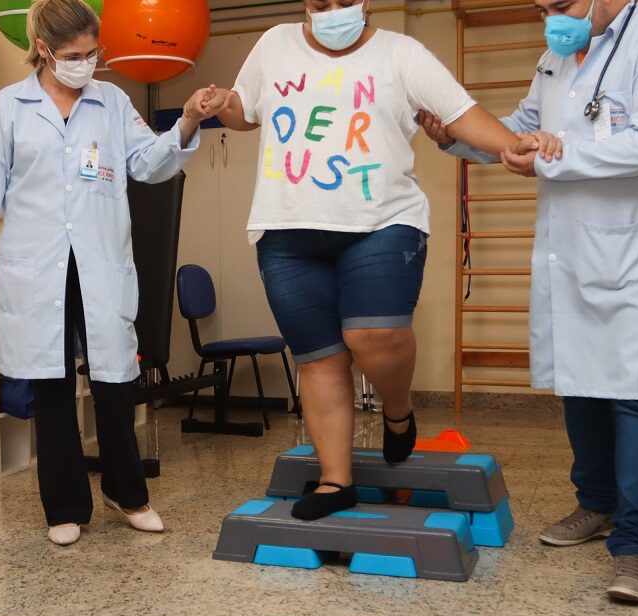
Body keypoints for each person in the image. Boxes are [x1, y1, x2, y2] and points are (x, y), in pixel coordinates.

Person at [198, 0, 539, 521]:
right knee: (319, 357)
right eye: (321, 4)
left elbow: (460, 114)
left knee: (372, 335)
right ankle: (337, 480)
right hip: (287, 229)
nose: (333, 11)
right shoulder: (274, 44)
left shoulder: (402, 54)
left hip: (382, 222)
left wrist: (514, 147)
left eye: (345, 2)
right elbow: (246, 112)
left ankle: (398, 413)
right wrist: (222, 103)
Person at [421, 0, 638, 604]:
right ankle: (596, 503)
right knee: (580, 381)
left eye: (564, 3)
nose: (553, 15)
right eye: (544, 5)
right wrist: (454, 139)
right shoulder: (554, 58)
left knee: (637, 392)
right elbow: (518, 133)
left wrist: (556, 152)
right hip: (573, 245)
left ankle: (636, 543)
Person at [0, 0, 224, 546]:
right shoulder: (11, 105)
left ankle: (128, 494)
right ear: (45, 50)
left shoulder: (113, 101)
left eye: (93, 52)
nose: (86, 63)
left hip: (99, 265)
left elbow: (149, 163)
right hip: (37, 267)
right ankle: (65, 506)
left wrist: (189, 120)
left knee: (115, 382)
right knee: (49, 389)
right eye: (74, 55)